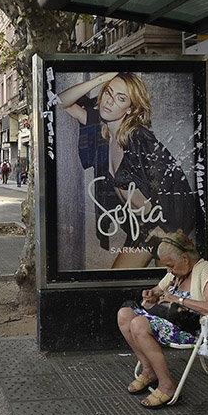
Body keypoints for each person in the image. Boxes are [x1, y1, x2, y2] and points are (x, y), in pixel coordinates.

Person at [58, 72, 195, 269]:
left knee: (167, 296)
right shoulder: (101, 128)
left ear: (130, 108)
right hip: (140, 231)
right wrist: (100, 80)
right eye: (108, 92)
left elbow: (174, 183)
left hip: (166, 232)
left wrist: (167, 231)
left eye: (120, 98)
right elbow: (62, 102)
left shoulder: (139, 137)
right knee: (115, 287)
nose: (109, 101)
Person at [117, 231, 208, 409]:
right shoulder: (177, 272)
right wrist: (152, 295)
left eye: (170, 265)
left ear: (185, 258)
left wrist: (178, 300)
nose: (168, 270)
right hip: (179, 323)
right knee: (124, 314)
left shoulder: (207, 272)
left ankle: (167, 385)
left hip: (203, 329)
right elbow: (158, 290)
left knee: (139, 324)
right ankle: (149, 371)